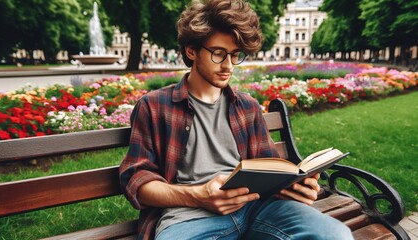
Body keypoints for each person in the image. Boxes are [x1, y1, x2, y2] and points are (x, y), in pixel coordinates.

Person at [119, 0, 354, 239]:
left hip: (257, 208)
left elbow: (270, 169)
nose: (228, 66)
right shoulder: (154, 106)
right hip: (189, 216)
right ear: (191, 51)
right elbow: (137, 181)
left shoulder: (247, 106)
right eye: (218, 54)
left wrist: (294, 187)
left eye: (235, 55)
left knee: (335, 235)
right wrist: (199, 195)